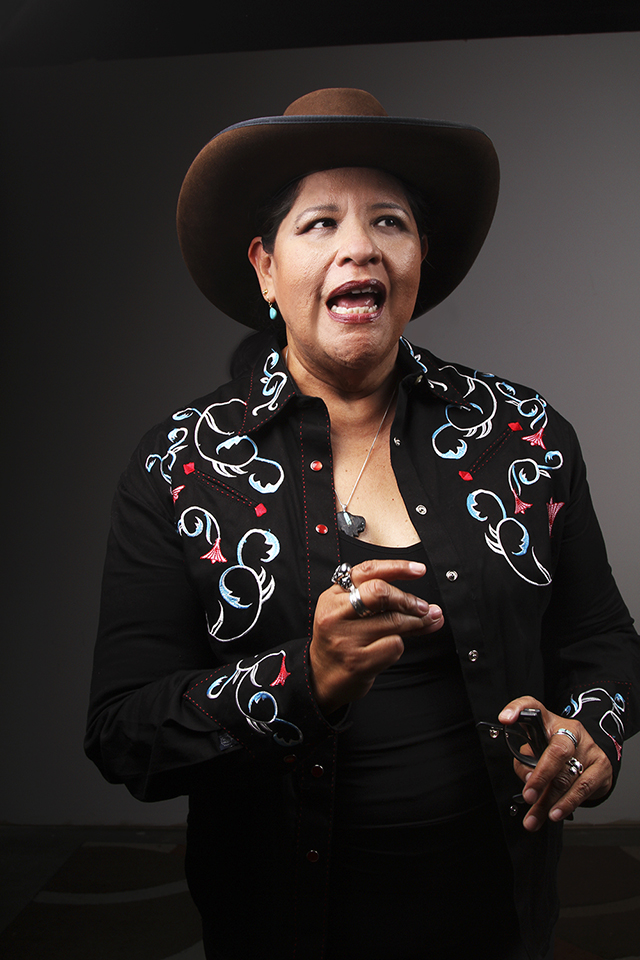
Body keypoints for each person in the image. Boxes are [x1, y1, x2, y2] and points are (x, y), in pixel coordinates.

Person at [85, 88, 639, 960]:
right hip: (283, 924)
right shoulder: (181, 466)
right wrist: (303, 678)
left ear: (418, 258)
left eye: (389, 221)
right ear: (265, 267)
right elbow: (124, 733)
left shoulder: (522, 434)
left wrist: (594, 726)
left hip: (497, 912)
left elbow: (603, 638)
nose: (359, 246)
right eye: (319, 225)